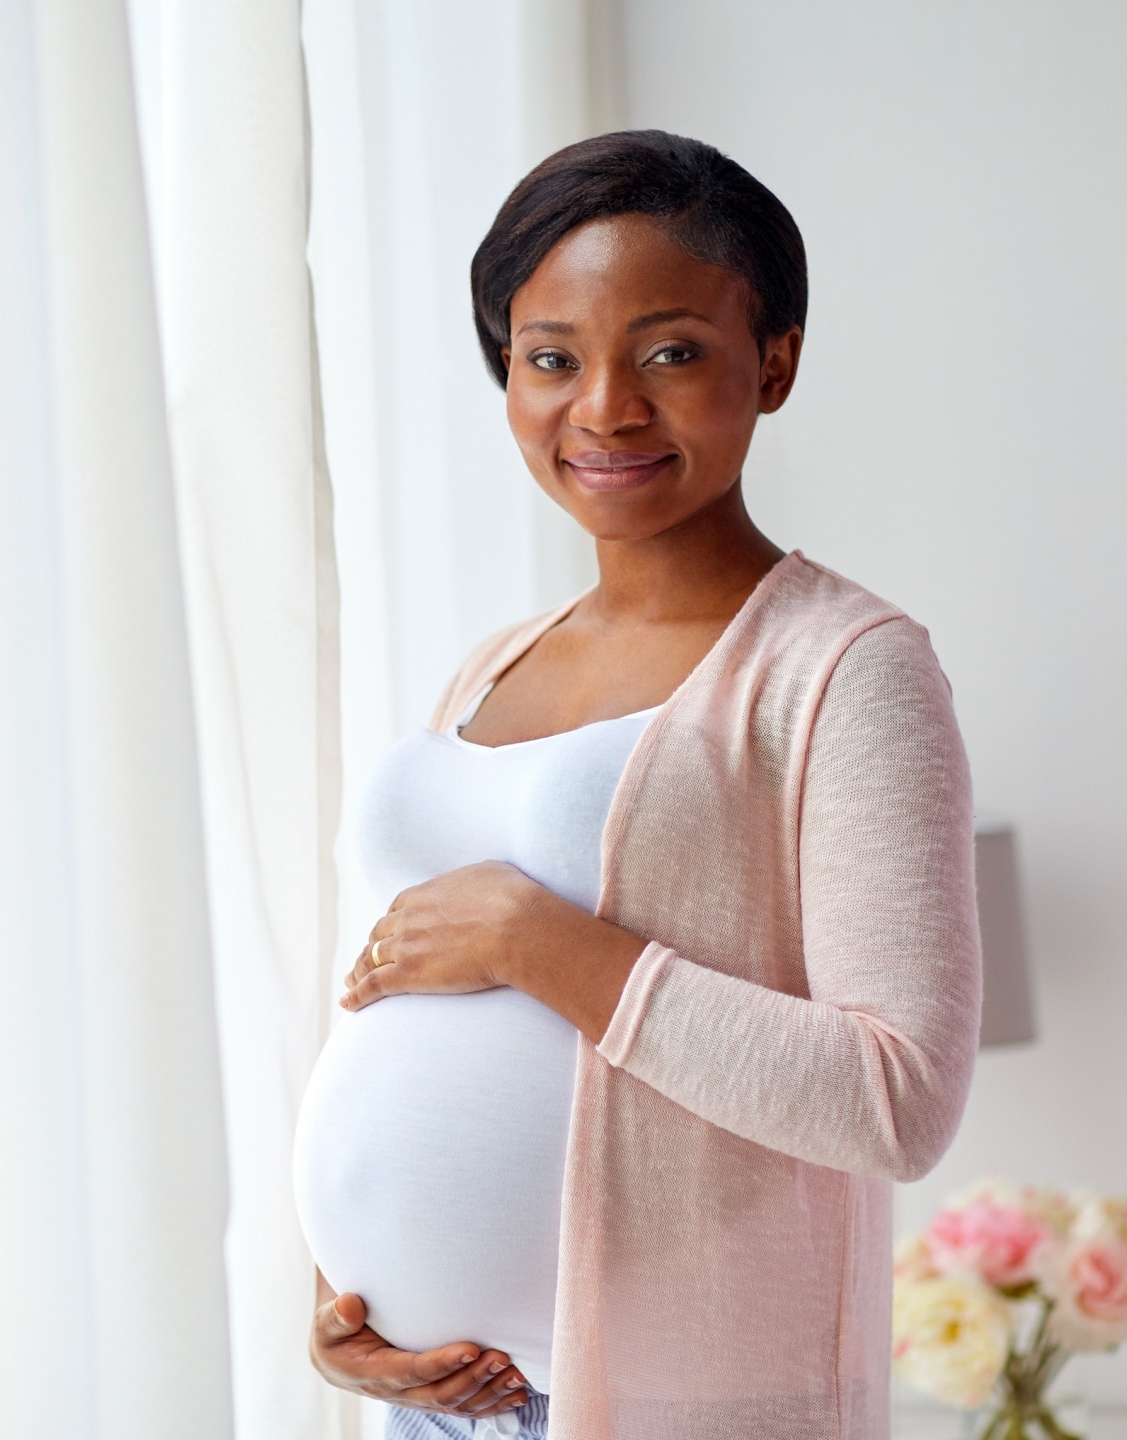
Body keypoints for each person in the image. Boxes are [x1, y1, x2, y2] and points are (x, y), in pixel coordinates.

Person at [293, 130, 981, 1440]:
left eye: (668, 350)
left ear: (771, 361)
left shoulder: (845, 669)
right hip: (438, 1405)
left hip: (684, 1405)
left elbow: (894, 1099)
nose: (603, 407)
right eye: (552, 357)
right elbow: (411, 1005)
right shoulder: (496, 665)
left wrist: (530, 938)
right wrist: (351, 1298)